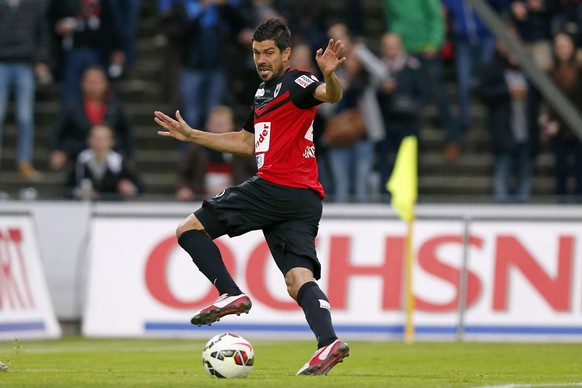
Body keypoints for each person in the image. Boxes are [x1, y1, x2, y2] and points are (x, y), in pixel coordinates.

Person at [154, 18, 349, 376]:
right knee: (297, 279)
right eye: (257, 53)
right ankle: (328, 342)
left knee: (189, 229)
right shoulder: (262, 94)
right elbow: (246, 142)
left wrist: (331, 75)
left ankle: (230, 293)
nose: (261, 59)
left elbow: (329, 95)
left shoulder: (297, 82)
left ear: (286, 54)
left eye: (269, 53)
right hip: (302, 199)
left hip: (278, 186)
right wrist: (192, 134)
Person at [479, 29, 536, 204]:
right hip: (504, 130)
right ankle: (501, 213)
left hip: (525, 130)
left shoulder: (528, 67)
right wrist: (507, 92)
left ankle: (522, 216)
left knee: (524, 175)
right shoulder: (494, 66)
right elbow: (483, 92)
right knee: (502, 174)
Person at [0, 0, 52, 180]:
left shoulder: (33, 5)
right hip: (1, 64)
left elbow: (42, 34)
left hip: (25, 64)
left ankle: (24, 161)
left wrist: (42, 60)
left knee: (25, 116)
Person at [49, 65, 134, 171]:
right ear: (82, 83)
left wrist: (129, 155)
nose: (94, 86)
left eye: (98, 82)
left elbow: (126, 131)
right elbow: (58, 131)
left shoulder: (115, 107)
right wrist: (57, 151)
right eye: (91, 82)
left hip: (110, 155)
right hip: (78, 154)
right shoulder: (72, 107)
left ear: (105, 83)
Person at [175, 105, 256, 201]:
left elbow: (256, 171)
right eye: (213, 124)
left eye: (221, 125)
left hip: (235, 200)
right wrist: (183, 189)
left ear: (231, 125)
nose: (217, 129)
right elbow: (183, 174)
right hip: (202, 199)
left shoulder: (242, 147)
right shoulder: (197, 148)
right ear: (207, 125)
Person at [539, 32, 582, 203]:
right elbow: (548, 102)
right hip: (558, 130)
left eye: (565, 45)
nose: (563, 50)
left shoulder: (579, 70)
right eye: (559, 46)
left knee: (580, 172)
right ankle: (561, 207)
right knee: (561, 172)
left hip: (578, 129)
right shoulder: (550, 72)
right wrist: (547, 121)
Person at [65, 122, 142, 200]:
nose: (98, 143)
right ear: (88, 140)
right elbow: (68, 188)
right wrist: (79, 192)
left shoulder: (118, 162)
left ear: (111, 142)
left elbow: (139, 187)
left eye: (102, 139)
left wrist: (130, 188)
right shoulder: (81, 161)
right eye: (95, 138)